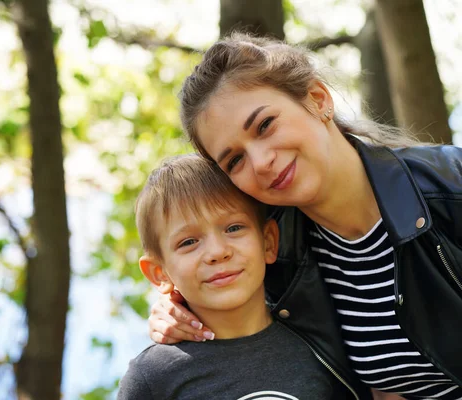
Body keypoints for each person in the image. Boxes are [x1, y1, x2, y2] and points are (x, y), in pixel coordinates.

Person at [147, 33, 462, 400]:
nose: (261, 162)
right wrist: (179, 310)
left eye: (265, 125)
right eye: (235, 160)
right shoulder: (279, 256)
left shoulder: (451, 191)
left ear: (317, 99)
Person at [118, 154, 348, 399]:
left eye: (234, 228)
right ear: (159, 273)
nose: (217, 252)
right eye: (188, 242)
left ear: (268, 242)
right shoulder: (153, 377)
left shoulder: (321, 344)